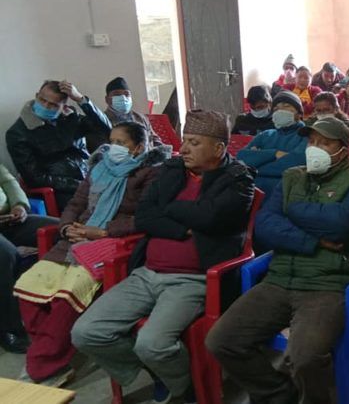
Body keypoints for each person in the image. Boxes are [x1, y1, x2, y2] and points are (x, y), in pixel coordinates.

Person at [72, 110, 254, 404]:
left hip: (192, 280)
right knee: (86, 332)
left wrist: (167, 209)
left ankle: (184, 388)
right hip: (147, 273)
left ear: (218, 148)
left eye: (194, 142)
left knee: (153, 343)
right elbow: (145, 216)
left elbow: (208, 217)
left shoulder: (238, 179)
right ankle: (161, 374)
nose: (184, 148)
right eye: (185, 140)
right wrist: (185, 228)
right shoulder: (171, 169)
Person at [206, 117, 349, 404]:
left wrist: (293, 210)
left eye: (325, 143)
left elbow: (341, 224)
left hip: (328, 284)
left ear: (343, 149)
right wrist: (314, 240)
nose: (315, 149)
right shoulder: (293, 176)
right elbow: (264, 225)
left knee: (304, 357)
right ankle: (278, 394)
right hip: (278, 279)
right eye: (312, 142)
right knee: (221, 340)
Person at [13, 122, 169, 386]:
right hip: (74, 239)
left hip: (111, 243)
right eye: (112, 141)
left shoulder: (151, 174)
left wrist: (103, 231)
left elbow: (146, 218)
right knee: (28, 289)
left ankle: (42, 367)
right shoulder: (99, 167)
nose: (113, 148)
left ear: (138, 147)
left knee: (67, 297)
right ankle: (48, 352)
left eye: (121, 143)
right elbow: (75, 204)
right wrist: (66, 228)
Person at [6, 80, 112, 211]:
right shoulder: (18, 132)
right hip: (61, 189)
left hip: (90, 177)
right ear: (37, 96)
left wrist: (80, 99)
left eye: (53, 105)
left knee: (127, 199)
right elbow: (34, 178)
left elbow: (106, 129)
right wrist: (79, 185)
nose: (45, 106)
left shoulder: (70, 118)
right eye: (42, 100)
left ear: (63, 106)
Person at [0, 166, 59, 354]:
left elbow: (8, 182)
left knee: (60, 230)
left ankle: (57, 307)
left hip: (9, 219)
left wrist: (19, 206)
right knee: (6, 255)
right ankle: (9, 329)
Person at [237, 91, 308, 195]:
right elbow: (241, 158)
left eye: (286, 106)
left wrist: (257, 162)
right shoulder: (266, 134)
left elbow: (295, 165)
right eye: (276, 109)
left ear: (299, 113)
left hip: (283, 192)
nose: (280, 111)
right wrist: (274, 154)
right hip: (250, 191)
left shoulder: (306, 135)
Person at [82, 77, 163, 150]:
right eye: (117, 94)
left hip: (149, 159)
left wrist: (161, 154)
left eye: (127, 94)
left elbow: (155, 141)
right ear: (107, 99)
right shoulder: (99, 120)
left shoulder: (141, 118)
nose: (123, 98)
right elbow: (102, 149)